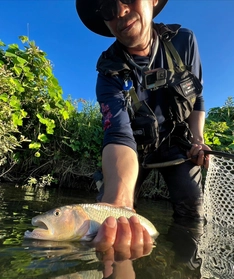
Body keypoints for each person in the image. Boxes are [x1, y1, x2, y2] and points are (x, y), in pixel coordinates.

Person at [75, 0, 211, 257]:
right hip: (133, 151)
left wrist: (198, 139)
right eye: (107, 9)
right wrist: (117, 204)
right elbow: (117, 132)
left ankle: (186, 275)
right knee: (107, 217)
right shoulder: (108, 72)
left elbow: (198, 97)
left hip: (177, 145)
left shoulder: (184, 40)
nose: (121, 11)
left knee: (193, 211)